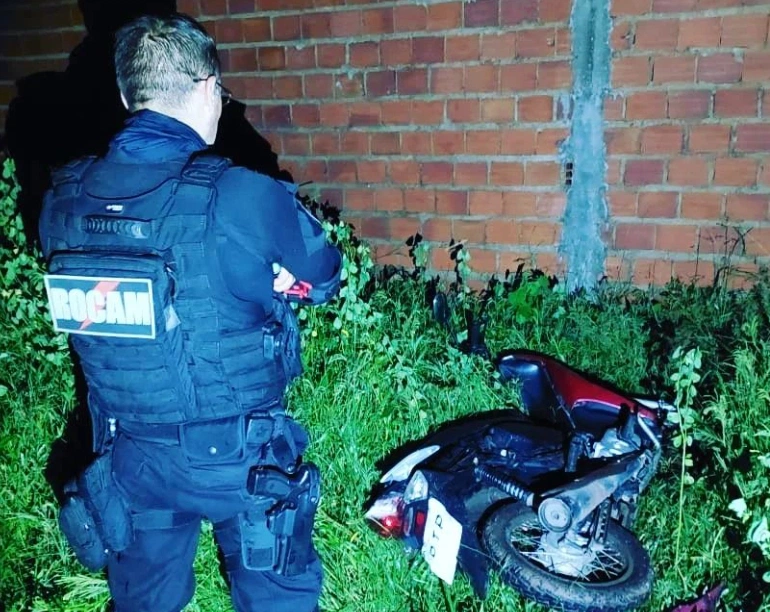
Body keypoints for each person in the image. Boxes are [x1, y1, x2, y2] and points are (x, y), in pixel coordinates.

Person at [38, 13, 341, 612]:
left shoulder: (63, 199)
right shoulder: (238, 194)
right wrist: (275, 280)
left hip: (130, 456)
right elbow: (324, 274)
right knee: (277, 598)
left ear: (128, 96)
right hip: (240, 459)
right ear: (207, 89)